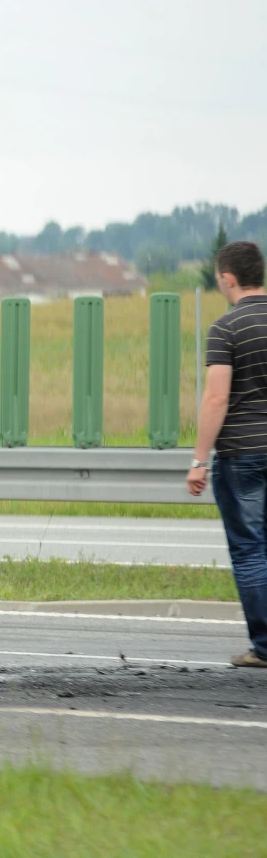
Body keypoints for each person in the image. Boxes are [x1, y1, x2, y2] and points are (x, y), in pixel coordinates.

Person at [187, 239, 267, 668]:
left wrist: (199, 459)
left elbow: (216, 399)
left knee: (251, 550)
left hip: (242, 456)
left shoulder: (226, 328)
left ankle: (265, 648)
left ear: (228, 278)